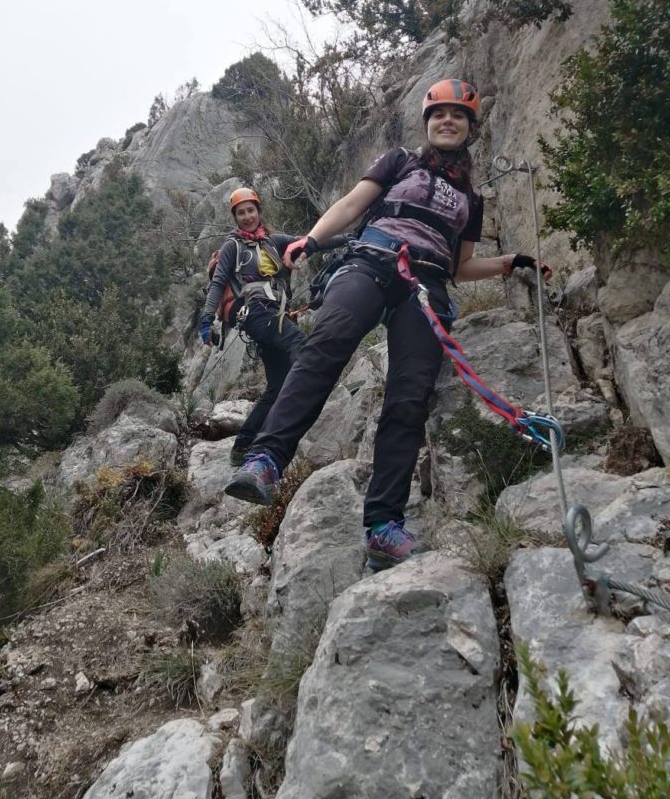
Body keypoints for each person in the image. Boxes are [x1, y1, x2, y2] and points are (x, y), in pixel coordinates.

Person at [223, 80, 552, 571]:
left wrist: (511, 262)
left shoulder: (472, 200)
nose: (447, 121)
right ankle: (267, 461)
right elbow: (354, 204)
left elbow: (463, 266)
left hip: (430, 285)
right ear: (427, 122)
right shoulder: (400, 161)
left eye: (457, 117)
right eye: (438, 114)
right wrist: (311, 240)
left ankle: (383, 526)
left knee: (409, 396)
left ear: (470, 129)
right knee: (327, 344)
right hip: (373, 261)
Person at [200, 187, 347, 466]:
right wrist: (207, 319)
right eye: (240, 213)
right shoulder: (233, 246)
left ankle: (242, 446)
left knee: (277, 386)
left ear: (258, 211)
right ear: (235, 217)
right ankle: (298, 413)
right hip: (254, 312)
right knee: (300, 346)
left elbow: (310, 242)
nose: (246, 217)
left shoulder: (274, 241)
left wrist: (349, 238)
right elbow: (219, 282)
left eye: (250, 210)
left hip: (275, 313)